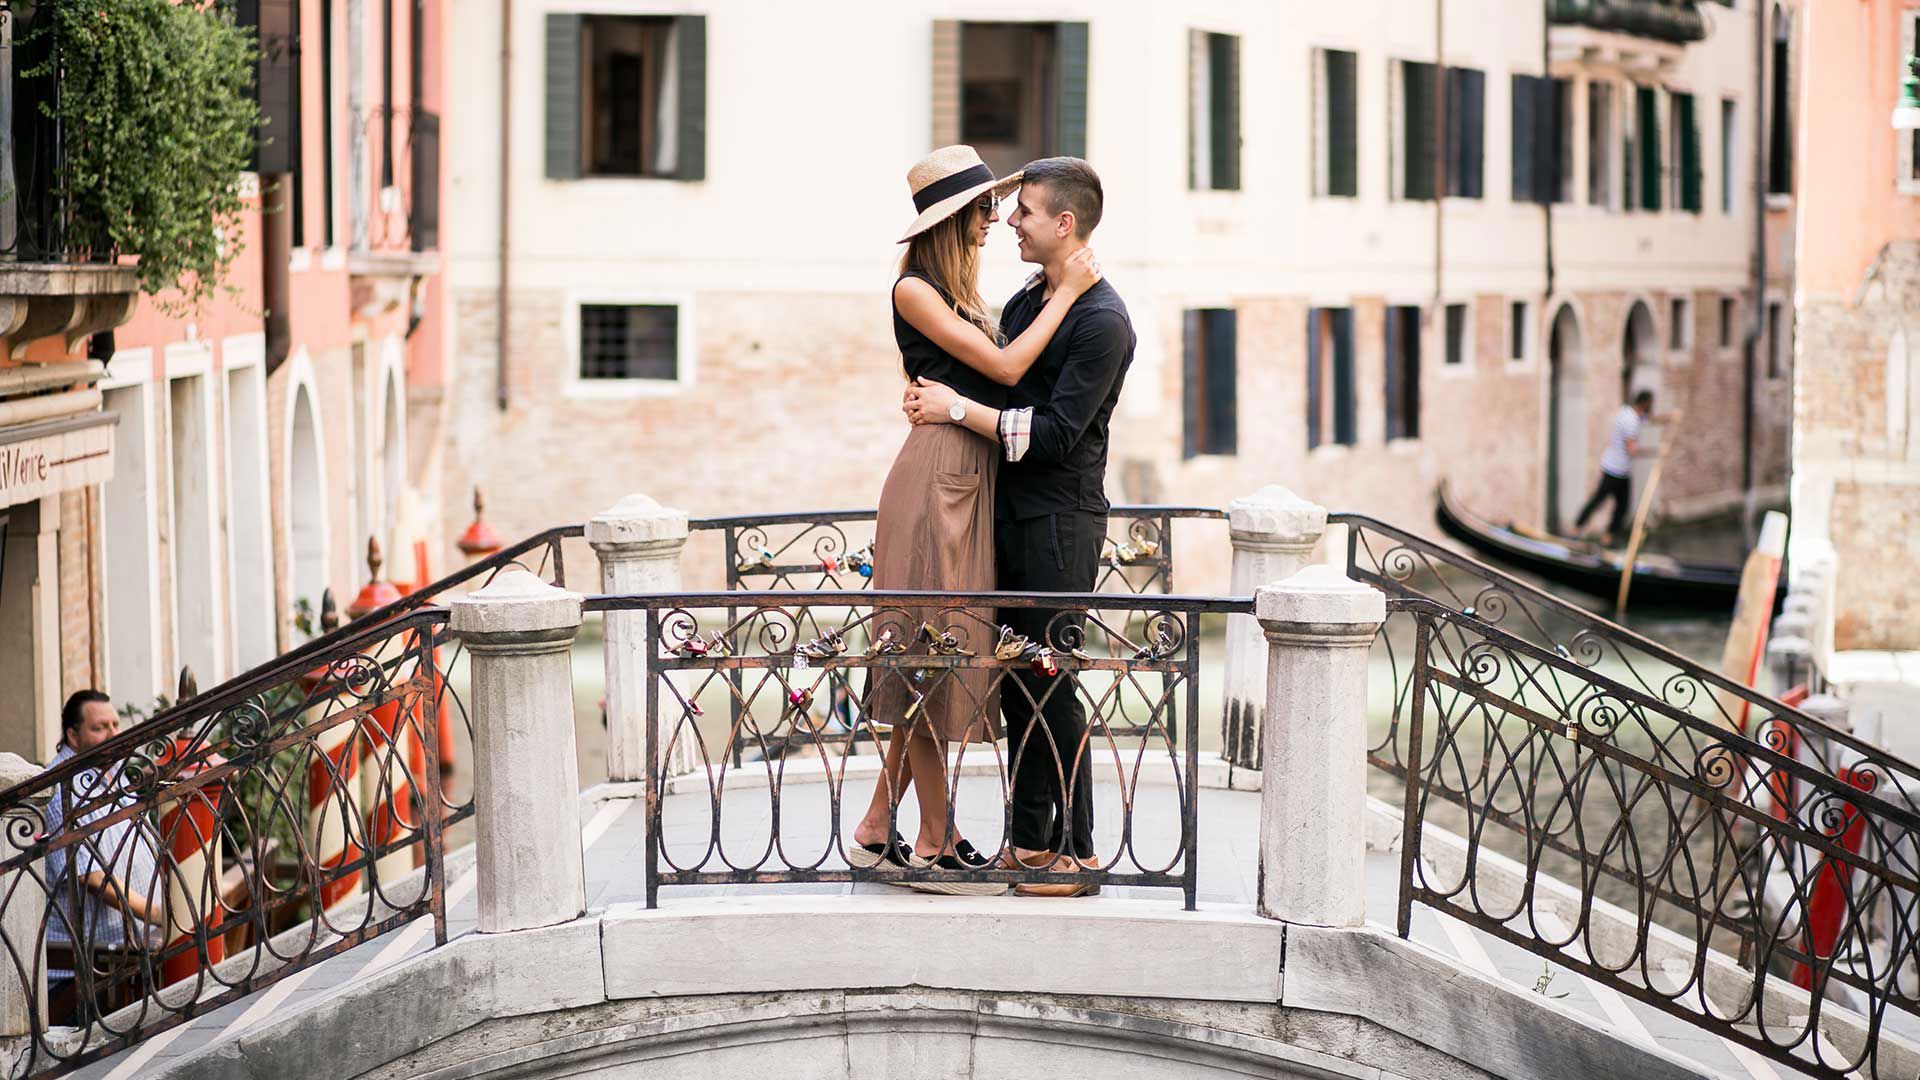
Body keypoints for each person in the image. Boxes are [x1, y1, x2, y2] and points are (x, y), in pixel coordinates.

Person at [846, 145, 1102, 896]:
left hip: (970, 480)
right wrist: (1067, 293)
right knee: (928, 654)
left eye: (1002, 207)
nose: (995, 220)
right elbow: (1008, 371)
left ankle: (877, 820)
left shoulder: (965, 295)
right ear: (954, 218)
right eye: (986, 209)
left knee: (940, 647)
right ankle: (934, 833)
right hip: (934, 485)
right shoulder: (915, 291)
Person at [904, 156, 1134, 898]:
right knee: (1017, 683)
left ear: (1064, 223)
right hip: (1010, 514)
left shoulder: (1103, 321)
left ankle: (1077, 851)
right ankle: (1032, 842)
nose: (1009, 222)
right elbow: (1001, 372)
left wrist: (955, 411)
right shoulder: (1030, 301)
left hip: (1060, 522)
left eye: (1025, 211)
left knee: (1049, 680)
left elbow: (1058, 433)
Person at [42, 690, 165, 1023]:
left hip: (130, 950)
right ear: (73, 735)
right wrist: (159, 913)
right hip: (85, 970)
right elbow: (92, 878)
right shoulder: (62, 790)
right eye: (100, 728)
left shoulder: (110, 770)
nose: (113, 734)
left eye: (115, 724)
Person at [1572, 389, 1670, 547]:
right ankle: (1576, 530)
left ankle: (1607, 537)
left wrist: (1669, 418)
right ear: (1645, 403)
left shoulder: (1629, 413)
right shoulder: (1630, 422)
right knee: (1599, 500)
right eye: (1651, 403)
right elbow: (1632, 450)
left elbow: (1650, 419)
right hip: (1614, 470)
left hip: (1622, 471)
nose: (1652, 406)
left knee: (1621, 507)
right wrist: (1657, 451)